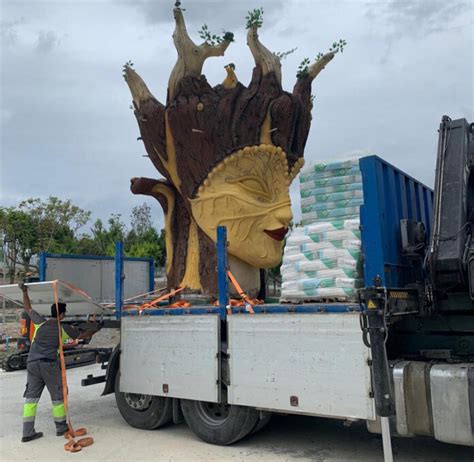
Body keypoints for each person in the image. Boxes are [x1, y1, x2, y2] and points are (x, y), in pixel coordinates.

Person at [19, 283, 99, 443]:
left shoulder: (40, 322)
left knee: (31, 398)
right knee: (57, 396)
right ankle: (61, 427)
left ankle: (27, 433)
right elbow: (83, 336)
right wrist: (97, 327)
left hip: (32, 364)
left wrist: (24, 291)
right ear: (61, 315)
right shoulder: (63, 329)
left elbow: (27, 308)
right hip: (48, 365)